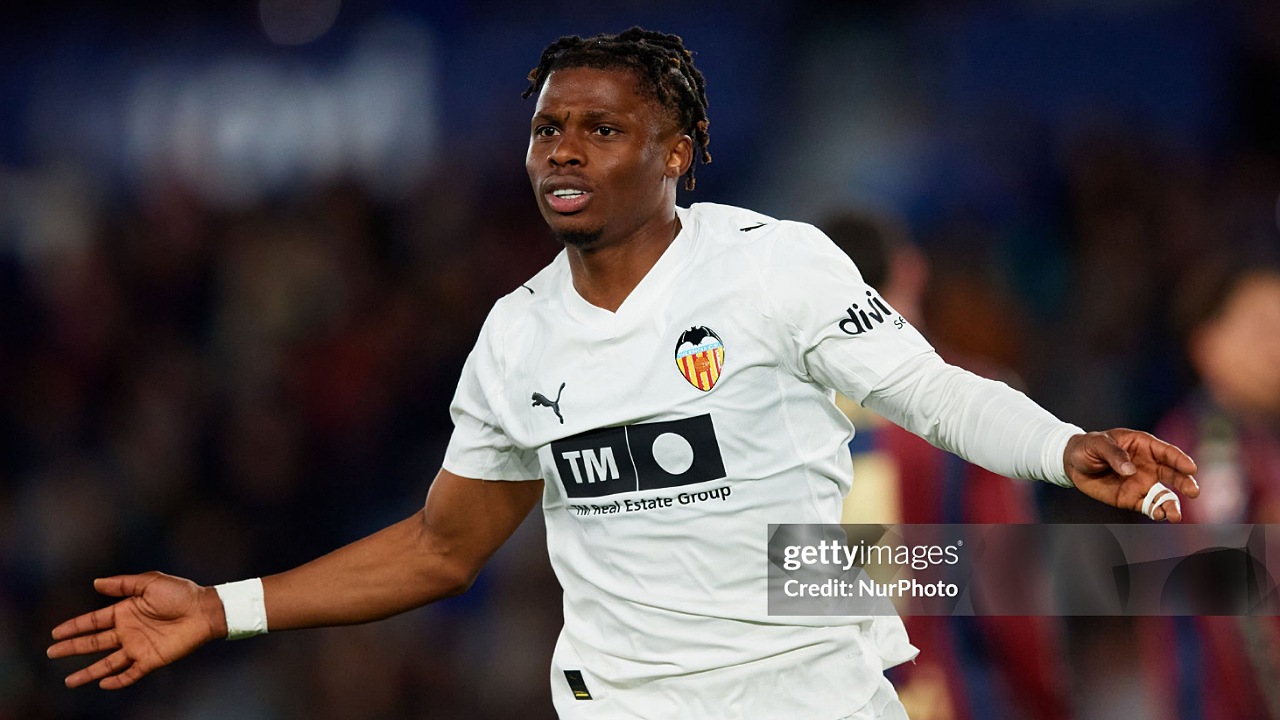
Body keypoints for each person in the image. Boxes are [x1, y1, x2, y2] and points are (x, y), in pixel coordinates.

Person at [48, 28, 1199, 720]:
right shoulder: (515, 337)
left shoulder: (775, 271)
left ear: (677, 154)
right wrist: (226, 606)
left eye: (601, 128)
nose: (562, 147)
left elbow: (939, 414)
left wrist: (1062, 449)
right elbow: (442, 548)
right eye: (548, 127)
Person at [822, 210, 1072, 720]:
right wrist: (1047, 698)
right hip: (949, 694)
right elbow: (1010, 591)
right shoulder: (972, 406)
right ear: (911, 271)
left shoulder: (778, 416)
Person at [1142, 259, 1280, 720]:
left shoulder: (1259, 439)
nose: (1276, 348)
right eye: (1262, 330)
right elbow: (1235, 622)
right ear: (1208, 345)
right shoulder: (1201, 451)